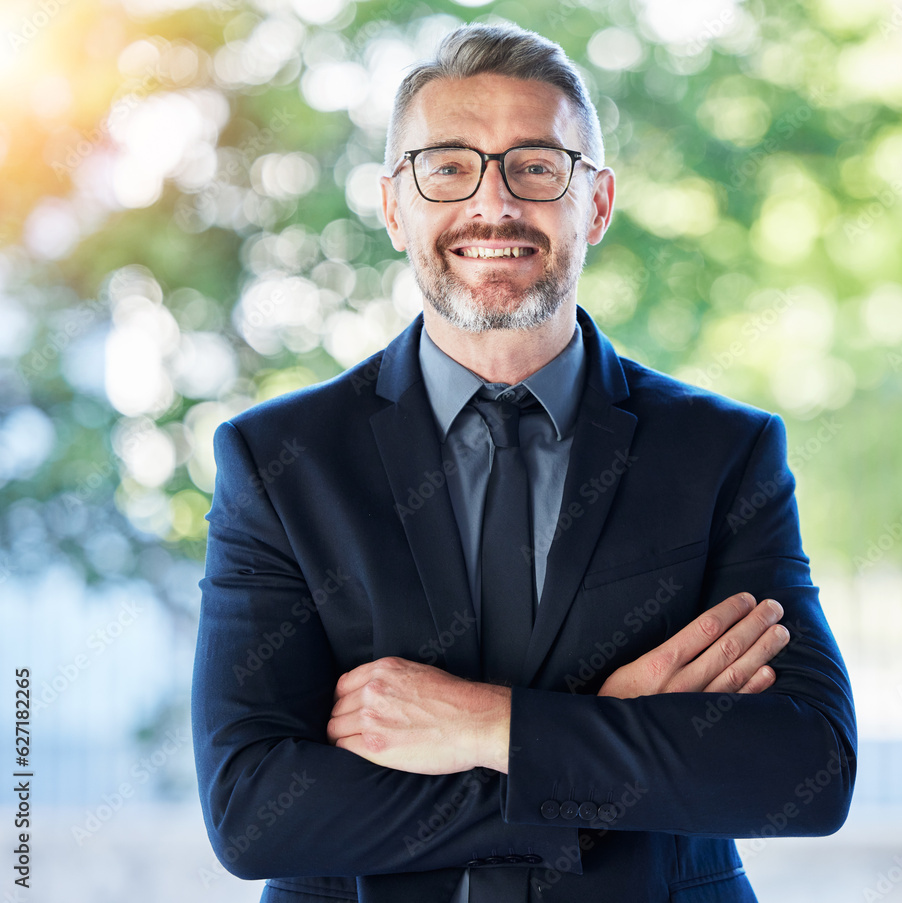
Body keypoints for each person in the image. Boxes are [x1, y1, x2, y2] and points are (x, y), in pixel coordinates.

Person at [192, 22, 856, 903]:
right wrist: (609, 742)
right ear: (395, 206)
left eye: (536, 167)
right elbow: (255, 813)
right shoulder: (278, 461)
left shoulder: (723, 453)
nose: (493, 205)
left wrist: (487, 724)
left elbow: (803, 766)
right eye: (448, 166)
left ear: (599, 202)